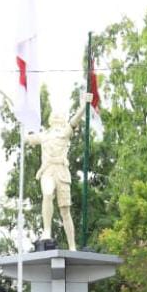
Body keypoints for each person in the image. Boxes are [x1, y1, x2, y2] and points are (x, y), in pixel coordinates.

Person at [25, 92, 91, 250]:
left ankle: (72, 246)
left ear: (63, 119)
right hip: (47, 171)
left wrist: (83, 106)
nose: (56, 116)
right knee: (47, 194)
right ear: (49, 119)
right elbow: (27, 139)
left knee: (65, 210)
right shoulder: (44, 135)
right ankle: (47, 231)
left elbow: (74, 121)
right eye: (54, 115)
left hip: (61, 172)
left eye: (59, 115)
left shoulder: (65, 132)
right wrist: (20, 117)